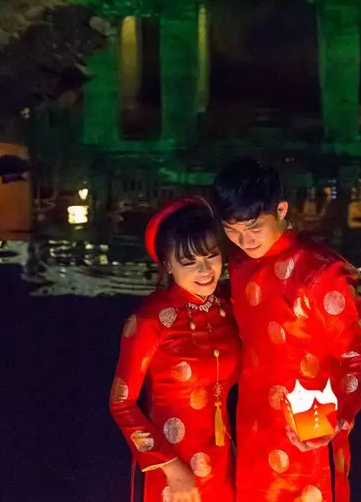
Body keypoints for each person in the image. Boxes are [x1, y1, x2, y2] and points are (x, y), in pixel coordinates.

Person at [211, 158, 361, 502]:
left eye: (254, 227)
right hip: (254, 430)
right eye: (232, 230)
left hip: (310, 432)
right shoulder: (240, 266)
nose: (244, 239)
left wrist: (338, 421)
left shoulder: (320, 273)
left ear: (282, 209)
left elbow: (357, 357)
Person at [110, 198, 240, 502]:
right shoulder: (150, 320)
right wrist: (169, 466)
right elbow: (121, 403)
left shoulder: (227, 308)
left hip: (223, 458)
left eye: (211, 256)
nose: (205, 270)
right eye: (189, 262)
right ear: (168, 264)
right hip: (171, 467)